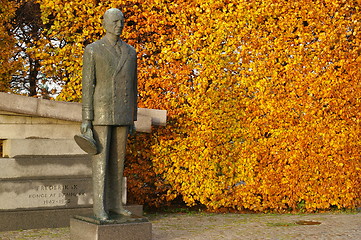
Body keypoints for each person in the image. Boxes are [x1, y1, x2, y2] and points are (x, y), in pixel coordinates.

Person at [81, 8, 137, 220]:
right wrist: (87, 118)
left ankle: (116, 205)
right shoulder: (93, 50)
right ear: (104, 23)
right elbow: (88, 85)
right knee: (101, 162)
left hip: (123, 110)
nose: (119, 25)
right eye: (115, 21)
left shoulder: (131, 52)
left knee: (118, 162)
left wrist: (133, 116)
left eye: (122, 21)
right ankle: (99, 208)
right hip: (102, 111)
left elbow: (134, 85)